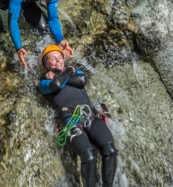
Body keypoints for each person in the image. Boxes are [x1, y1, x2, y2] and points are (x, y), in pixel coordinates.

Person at [38, 45, 117, 187]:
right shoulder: (43, 81)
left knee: (110, 151)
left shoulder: (76, 72)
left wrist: (64, 72)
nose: (58, 61)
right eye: (52, 59)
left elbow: (81, 81)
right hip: (70, 121)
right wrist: (68, 72)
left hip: (90, 116)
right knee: (89, 157)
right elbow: (55, 85)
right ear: (45, 63)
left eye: (60, 57)